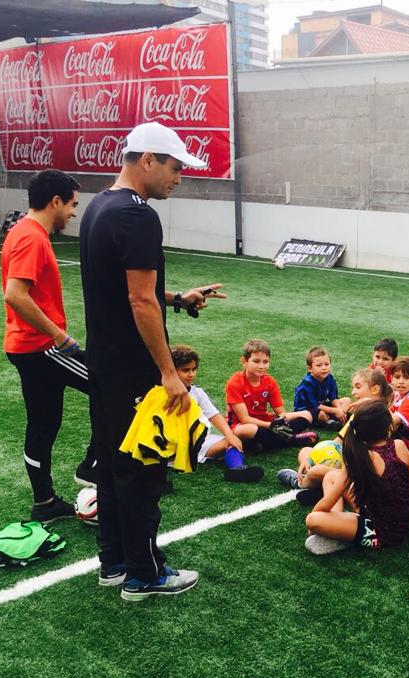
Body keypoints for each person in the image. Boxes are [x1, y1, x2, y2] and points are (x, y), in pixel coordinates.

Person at [80, 122, 225, 601]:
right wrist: (168, 372)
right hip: (134, 370)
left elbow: (127, 289)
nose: (179, 176)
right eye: (175, 166)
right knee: (143, 469)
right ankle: (146, 573)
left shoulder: (99, 205)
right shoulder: (139, 216)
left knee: (111, 461)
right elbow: (140, 303)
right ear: (147, 160)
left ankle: (115, 563)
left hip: (102, 364)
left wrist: (177, 298)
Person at [2, 169, 95, 523]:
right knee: (110, 385)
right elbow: (15, 294)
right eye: (72, 204)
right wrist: (58, 335)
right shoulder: (31, 237)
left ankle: (44, 502)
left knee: (43, 423)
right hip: (42, 347)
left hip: (25, 346)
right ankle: (93, 468)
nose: (73, 213)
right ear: (55, 201)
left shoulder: (22, 232)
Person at [303, 399, 409, 556]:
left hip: (377, 533)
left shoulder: (359, 456)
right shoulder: (399, 445)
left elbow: (326, 503)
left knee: (314, 519)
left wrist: (311, 526)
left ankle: (340, 535)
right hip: (398, 523)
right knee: (331, 476)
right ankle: (338, 525)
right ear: (388, 428)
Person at [277, 368, 393, 505]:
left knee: (318, 470)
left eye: (358, 387)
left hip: (359, 473)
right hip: (344, 463)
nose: (353, 392)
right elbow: (337, 442)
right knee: (306, 452)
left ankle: (302, 483)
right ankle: (318, 486)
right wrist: (313, 458)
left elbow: (371, 459)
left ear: (374, 390)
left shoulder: (384, 417)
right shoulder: (358, 415)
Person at [171, 345, 262, 483]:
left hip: (198, 443)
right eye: (185, 370)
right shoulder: (162, 394)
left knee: (232, 442)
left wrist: (230, 436)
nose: (191, 374)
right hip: (173, 447)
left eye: (194, 369)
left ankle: (238, 470)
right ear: (172, 371)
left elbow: (214, 415)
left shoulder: (197, 393)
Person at [226, 339, 318, 451]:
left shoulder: (270, 382)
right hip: (241, 425)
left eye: (265, 362)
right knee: (248, 430)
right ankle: (292, 440)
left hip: (266, 422)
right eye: (256, 361)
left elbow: (281, 412)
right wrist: (271, 425)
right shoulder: (234, 383)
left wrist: (281, 421)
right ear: (244, 361)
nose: (261, 366)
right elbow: (245, 419)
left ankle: (262, 444)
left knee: (306, 415)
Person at [292, 346, 351, 430]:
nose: (324, 368)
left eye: (326, 364)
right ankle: (328, 422)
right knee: (321, 414)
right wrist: (335, 411)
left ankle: (340, 417)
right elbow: (316, 406)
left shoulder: (329, 378)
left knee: (346, 400)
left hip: (322, 405)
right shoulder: (307, 383)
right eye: (319, 365)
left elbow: (333, 398)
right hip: (307, 410)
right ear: (310, 369)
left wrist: (340, 410)